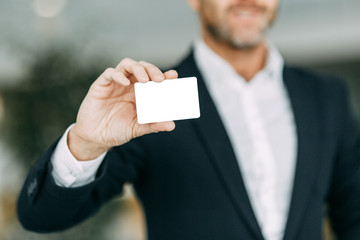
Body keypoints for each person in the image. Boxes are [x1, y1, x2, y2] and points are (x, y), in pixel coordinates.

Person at [17, 0, 360, 239]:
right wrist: (86, 143)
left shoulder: (326, 96)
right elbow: (43, 217)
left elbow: (354, 214)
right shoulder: (149, 98)